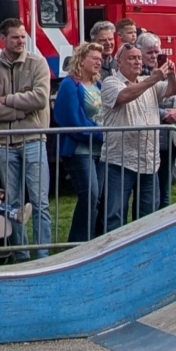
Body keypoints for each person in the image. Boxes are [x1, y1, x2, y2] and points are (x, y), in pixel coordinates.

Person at [0, 16, 53, 252]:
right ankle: (21, 253)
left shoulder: (38, 63)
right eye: (15, 37)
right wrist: (22, 110)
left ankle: (43, 254)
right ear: (3, 39)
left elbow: (40, 99)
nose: (20, 41)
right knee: (14, 204)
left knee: (40, 202)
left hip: (33, 140)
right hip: (4, 144)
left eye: (23, 37)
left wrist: (7, 100)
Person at [99, 42, 176, 229]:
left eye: (138, 58)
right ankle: (115, 245)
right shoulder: (111, 82)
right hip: (120, 161)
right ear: (119, 61)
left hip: (149, 160)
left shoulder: (147, 82)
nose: (137, 61)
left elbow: (172, 91)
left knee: (148, 216)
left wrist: (172, 75)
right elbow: (124, 96)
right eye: (131, 58)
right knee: (115, 215)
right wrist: (153, 79)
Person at [53, 46, 107, 243]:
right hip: (79, 150)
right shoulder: (70, 85)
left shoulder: (98, 85)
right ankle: (78, 242)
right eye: (94, 58)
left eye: (100, 58)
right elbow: (73, 120)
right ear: (81, 60)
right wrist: (102, 134)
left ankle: (92, 240)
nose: (99, 62)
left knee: (97, 197)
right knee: (90, 194)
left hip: (100, 150)